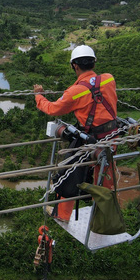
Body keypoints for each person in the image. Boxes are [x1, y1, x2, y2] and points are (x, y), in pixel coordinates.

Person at [33, 45, 118, 221]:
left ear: (75, 66)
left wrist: (39, 96)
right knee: (104, 174)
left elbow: (52, 108)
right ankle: (105, 215)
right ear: (94, 62)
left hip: (90, 140)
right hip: (111, 137)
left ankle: (62, 214)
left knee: (69, 172)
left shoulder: (75, 92)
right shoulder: (109, 79)